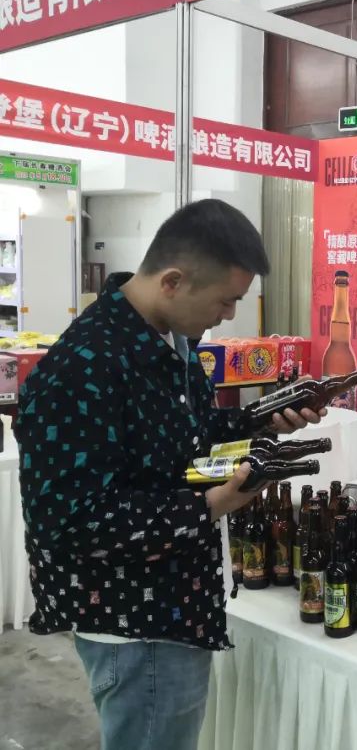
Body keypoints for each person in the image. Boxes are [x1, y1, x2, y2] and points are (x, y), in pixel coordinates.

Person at [17, 199, 324, 750]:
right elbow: (69, 521)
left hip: (177, 601)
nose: (227, 316)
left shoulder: (168, 341)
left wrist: (260, 419)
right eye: (225, 301)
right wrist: (213, 505)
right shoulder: (84, 366)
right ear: (174, 282)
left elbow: (186, 436)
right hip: (136, 622)